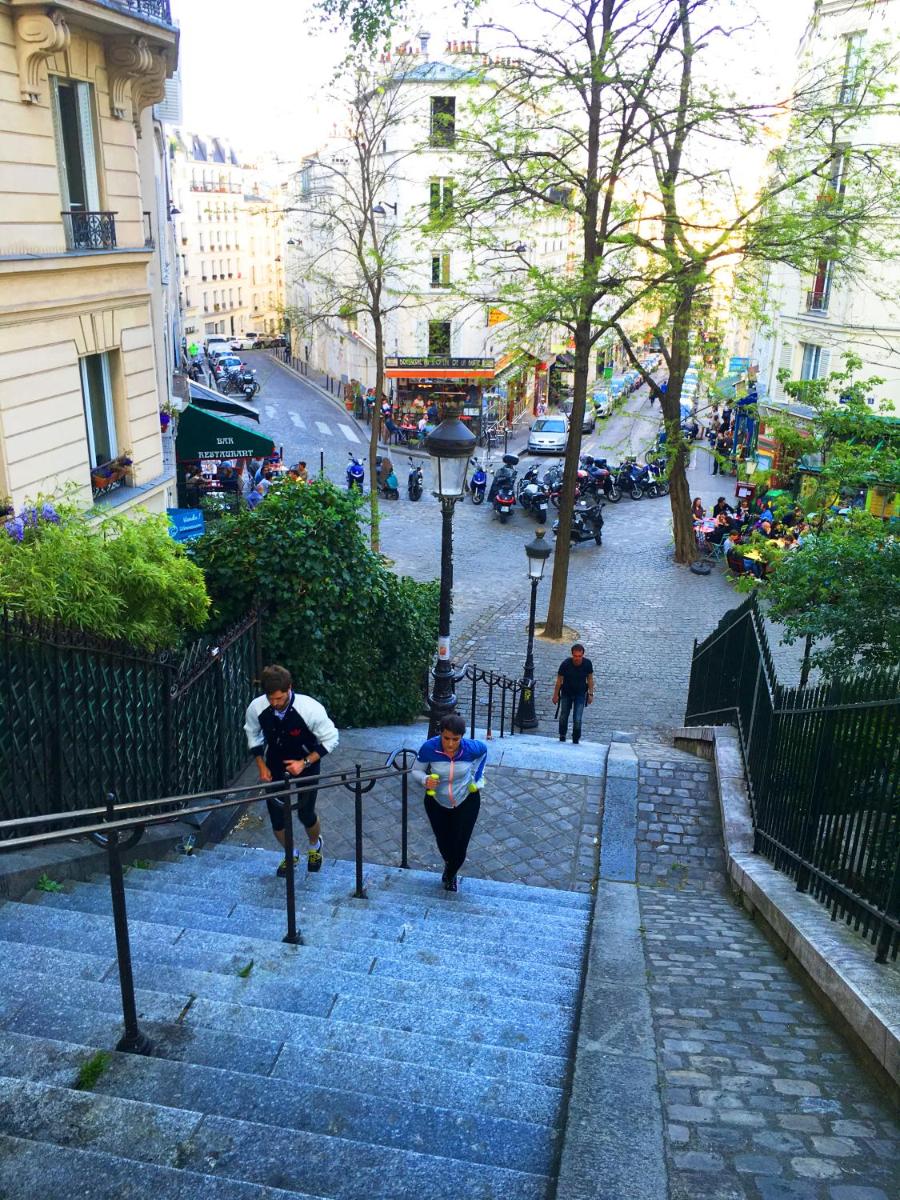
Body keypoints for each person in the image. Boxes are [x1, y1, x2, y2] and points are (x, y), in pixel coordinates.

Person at [244, 664, 340, 877]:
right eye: (271, 699)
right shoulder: (257, 708)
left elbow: (331, 739)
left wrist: (304, 762)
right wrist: (261, 765)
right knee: (277, 819)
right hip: (275, 763)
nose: (275, 704)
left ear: (290, 689)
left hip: (306, 763)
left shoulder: (310, 709)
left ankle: (315, 845)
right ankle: (290, 853)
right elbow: (253, 734)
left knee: (306, 814)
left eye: (279, 698)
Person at [412, 714, 487, 892]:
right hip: (437, 802)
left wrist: (477, 778)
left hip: (466, 801)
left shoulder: (471, 748)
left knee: (460, 845)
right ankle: (449, 864)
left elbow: (484, 753)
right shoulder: (429, 748)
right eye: (446, 738)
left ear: (462, 737)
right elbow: (416, 771)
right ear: (440, 734)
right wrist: (425, 780)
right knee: (445, 842)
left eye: (456, 739)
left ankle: (451, 874)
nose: (451, 744)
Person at [552, 643, 594, 744]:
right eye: (575, 656)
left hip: (580, 693)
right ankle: (562, 735)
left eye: (579, 656)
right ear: (572, 655)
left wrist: (591, 694)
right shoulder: (565, 664)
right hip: (566, 693)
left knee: (578, 718)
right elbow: (559, 681)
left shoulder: (587, 664)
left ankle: (576, 738)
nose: (577, 658)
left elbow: (590, 679)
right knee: (563, 715)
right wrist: (555, 695)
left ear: (583, 655)